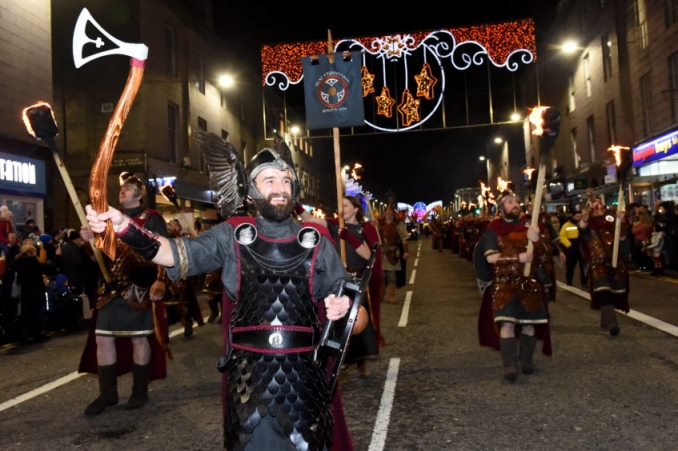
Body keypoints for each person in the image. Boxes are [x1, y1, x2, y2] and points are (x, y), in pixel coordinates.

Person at [85, 147, 356, 450]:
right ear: (249, 189)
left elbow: (357, 320)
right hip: (248, 379)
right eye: (269, 180)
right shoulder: (230, 236)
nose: (280, 188)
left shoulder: (318, 240)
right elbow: (173, 254)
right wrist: (124, 226)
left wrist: (345, 310)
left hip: (306, 380)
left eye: (286, 180)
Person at [78, 172, 170, 416]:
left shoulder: (150, 218)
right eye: (122, 188)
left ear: (139, 195)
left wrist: (160, 280)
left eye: (129, 188)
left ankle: (139, 391)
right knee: (103, 338)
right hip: (111, 288)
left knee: (139, 338)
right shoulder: (107, 218)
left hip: (139, 288)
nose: (123, 191)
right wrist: (90, 239)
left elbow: (163, 248)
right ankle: (108, 394)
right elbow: (101, 256)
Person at [297, 195, 383, 377]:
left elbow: (369, 256)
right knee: (339, 322)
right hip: (339, 280)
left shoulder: (364, 229)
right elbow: (310, 219)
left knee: (358, 323)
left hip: (358, 280)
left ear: (356, 209)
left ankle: (362, 363)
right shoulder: (334, 225)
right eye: (340, 205)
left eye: (346, 205)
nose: (342, 208)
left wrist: (350, 237)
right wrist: (295, 204)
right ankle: (340, 359)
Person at [476, 190, 552, 381]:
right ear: (502, 209)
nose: (515, 204)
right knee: (507, 323)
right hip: (505, 284)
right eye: (510, 202)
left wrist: (537, 241)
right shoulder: (493, 229)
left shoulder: (530, 227)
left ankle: (526, 360)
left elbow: (544, 257)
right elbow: (491, 257)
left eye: (516, 201)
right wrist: (518, 257)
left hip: (530, 284)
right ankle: (510, 365)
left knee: (529, 325)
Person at [579, 196, 630, 336]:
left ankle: (605, 320)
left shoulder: (612, 219)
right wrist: (589, 208)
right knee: (604, 290)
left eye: (600, 205)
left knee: (614, 291)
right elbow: (582, 226)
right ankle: (613, 323)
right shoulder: (589, 222)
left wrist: (623, 221)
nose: (598, 208)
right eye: (595, 206)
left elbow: (623, 238)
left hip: (615, 262)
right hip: (598, 263)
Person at [13, 243, 49, 342]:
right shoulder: (33, 262)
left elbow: (19, 279)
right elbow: (43, 268)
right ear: (30, 253)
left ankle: (20, 334)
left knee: (26, 313)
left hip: (25, 291)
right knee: (36, 313)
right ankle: (37, 333)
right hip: (36, 290)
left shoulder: (17, 263)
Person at [378, 204, 410, 304]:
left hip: (392, 253)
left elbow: (404, 239)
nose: (388, 212)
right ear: (384, 212)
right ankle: (381, 295)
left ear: (393, 212)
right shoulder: (379, 224)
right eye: (387, 211)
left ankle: (391, 296)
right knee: (381, 276)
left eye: (390, 211)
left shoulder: (397, 224)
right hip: (381, 253)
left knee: (391, 276)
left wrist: (406, 251)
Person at [560, 211, 587, 287]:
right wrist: (569, 245)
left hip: (581, 248)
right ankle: (569, 281)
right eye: (577, 216)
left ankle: (584, 282)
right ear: (573, 217)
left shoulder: (583, 225)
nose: (579, 218)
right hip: (572, 249)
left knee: (584, 267)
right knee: (570, 266)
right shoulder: (566, 225)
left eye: (580, 216)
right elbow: (562, 237)